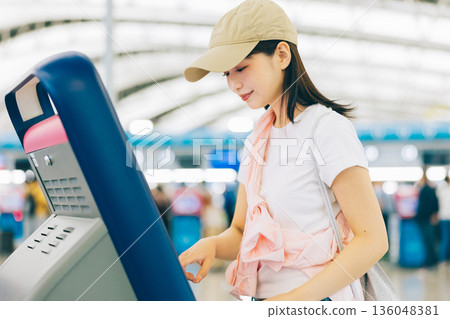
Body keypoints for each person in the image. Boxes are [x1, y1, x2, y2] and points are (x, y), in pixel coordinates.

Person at [179, 0, 388, 301]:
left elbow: (373, 240)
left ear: (281, 54)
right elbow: (241, 231)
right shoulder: (256, 140)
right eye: (225, 73)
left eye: (242, 67)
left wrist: (291, 303)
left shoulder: (325, 128)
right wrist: (213, 244)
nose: (234, 83)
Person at [415, 170, 439, 268]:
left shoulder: (424, 191)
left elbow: (422, 206)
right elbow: (436, 204)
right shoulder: (431, 190)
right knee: (430, 242)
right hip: (429, 219)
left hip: (425, 220)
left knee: (428, 242)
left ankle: (429, 262)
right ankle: (432, 262)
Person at [437, 175, 450, 264]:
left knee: (444, 239)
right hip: (447, 217)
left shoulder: (440, 190)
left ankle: (442, 259)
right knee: (446, 239)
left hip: (442, 217)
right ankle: (444, 258)